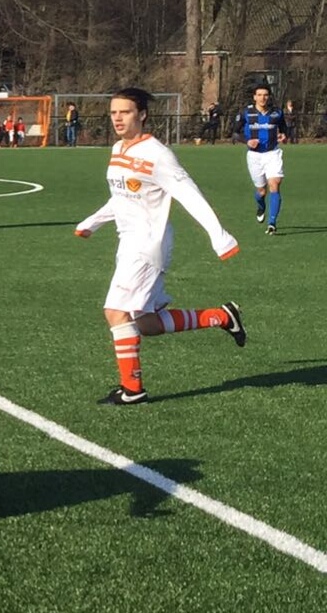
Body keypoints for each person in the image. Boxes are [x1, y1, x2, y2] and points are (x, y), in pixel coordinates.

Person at [74, 87, 246, 406]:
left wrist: (219, 236)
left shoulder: (158, 155)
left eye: (124, 112)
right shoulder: (118, 149)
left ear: (142, 114)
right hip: (127, 241)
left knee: (115, 312)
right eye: (113, 112)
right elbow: (121, 198)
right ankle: (221, 317)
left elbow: (190, 195)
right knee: (146, 324)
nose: (117, 118)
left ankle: (132, 390)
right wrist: (92, 222)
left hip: (147, 244)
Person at [233, 83, 287, 235]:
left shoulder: (276, 112)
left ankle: (272, 223)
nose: (263, 98)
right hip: (254, 156)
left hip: (272, 153)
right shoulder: (246, 113)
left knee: (274, 184)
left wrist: (283, 134)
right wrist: (247, 141)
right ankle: (261, 205)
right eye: (260, 95)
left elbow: (284, 127)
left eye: (265, 95)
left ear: (268, 96)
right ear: (254, 97)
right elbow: (235, 133)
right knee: (261, 191)